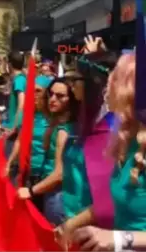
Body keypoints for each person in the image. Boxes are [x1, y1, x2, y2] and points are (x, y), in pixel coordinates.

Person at [56, 53, 146, 252]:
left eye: (115, 79)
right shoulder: (125, 141)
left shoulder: (107, 131)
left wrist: (120, 239)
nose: (108, 87)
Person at [17, 78, 80, 226]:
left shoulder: (64, 131)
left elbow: (59, 174)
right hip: (55, 193)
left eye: (60, 96)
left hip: (57, 196)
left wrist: (31, 191)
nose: (52, 99)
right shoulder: (60, 124)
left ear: (71, 100)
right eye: (51, 94)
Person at [4, 75, 51, 208]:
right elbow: (19, 140)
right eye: (32, 91)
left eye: (38, 91)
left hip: (45, 176)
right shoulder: (28, 114)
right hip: (28, 172)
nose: (34, 95)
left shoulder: (53, 118)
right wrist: (9, 164)